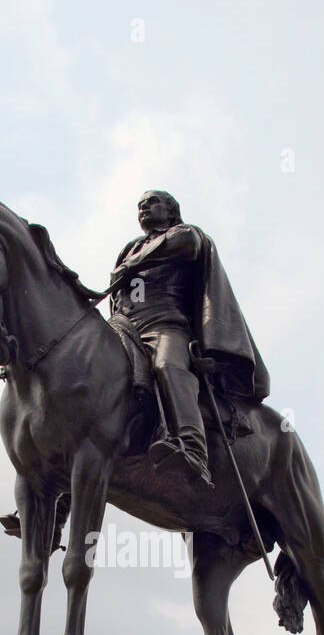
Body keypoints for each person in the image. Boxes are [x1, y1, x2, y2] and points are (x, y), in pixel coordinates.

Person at [109, 191, 270, 486]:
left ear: (171, 211)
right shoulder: (130, 247)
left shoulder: (183, 233)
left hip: (164, 323)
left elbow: (187, 245)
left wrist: (132, 265)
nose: (143, 207)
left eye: (152, 202)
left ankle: (192, 449)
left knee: (167, 367)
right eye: (140, 205)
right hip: (124, 326)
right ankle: (55, 491)